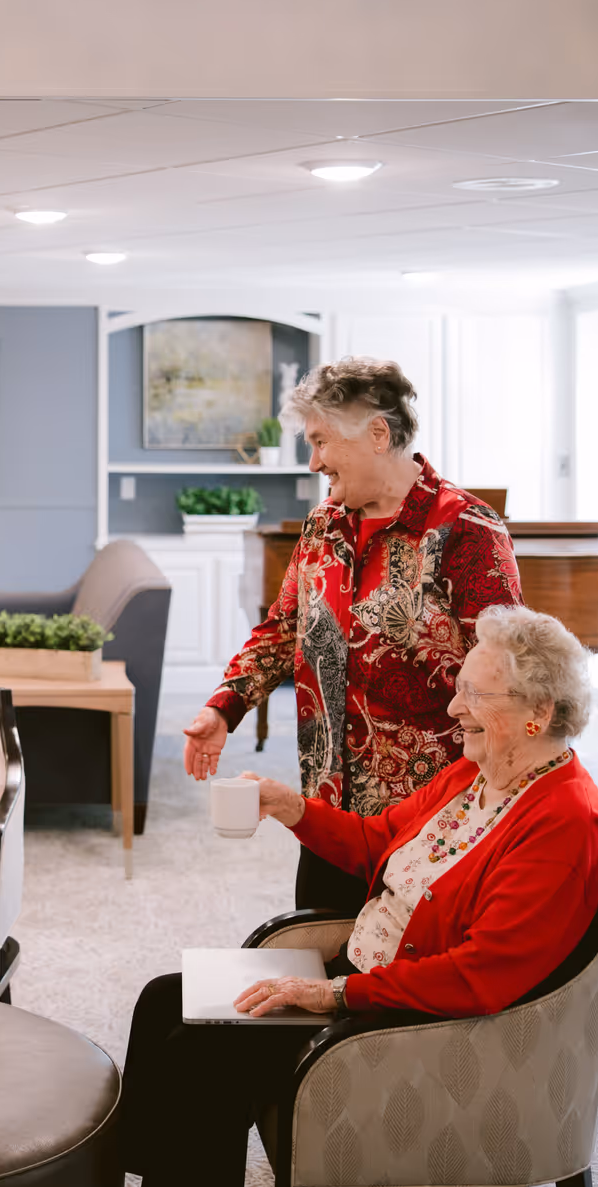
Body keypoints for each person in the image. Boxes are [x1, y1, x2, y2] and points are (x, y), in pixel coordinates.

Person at [123, 606, 598, 1187]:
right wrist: (289, 806)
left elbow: (478, 975)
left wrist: (331, 995)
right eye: (458, 688)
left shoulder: (562, 824)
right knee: (160, 1002)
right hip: (365, 976)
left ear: (536, 714)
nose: (454, 709)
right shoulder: (476, 772)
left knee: (203, 1055)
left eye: (472, 694)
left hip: (418, 1021)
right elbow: (377, 841)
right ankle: (149, 1176)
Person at [182, 357, 521, 913]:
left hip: (431, 815)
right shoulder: (323, 525)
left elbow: (505, 672)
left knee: (404, 974)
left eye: (320, 441)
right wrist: (224, 709)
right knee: (319, 953)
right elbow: (282, 629)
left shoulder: (466, 529)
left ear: (378, 434)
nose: (313, 461)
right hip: (327, 809)